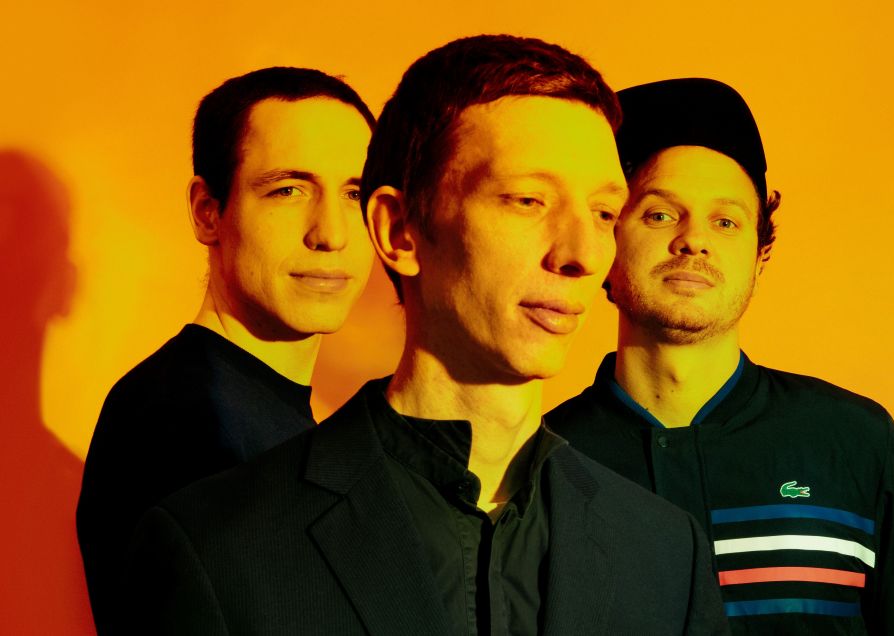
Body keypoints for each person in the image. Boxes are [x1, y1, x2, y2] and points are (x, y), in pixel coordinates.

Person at [120, 36, 728, 635]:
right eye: (527, 200)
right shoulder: (219, 548)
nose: (582, 254)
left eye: (603, 213)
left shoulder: (667, 556)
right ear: (399, 230)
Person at [547, 78, 894, 634]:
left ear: (760, 254)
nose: (694, 240)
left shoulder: (856, 444)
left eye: (726, 221)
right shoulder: (539, 466)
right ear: (606, 241)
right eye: (660, 215)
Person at [76, 67, 376, 634]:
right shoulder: (185, 418)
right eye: (288, 190)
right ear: (207, 211)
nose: (331, 233)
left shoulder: (257, 411)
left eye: (354, 193)